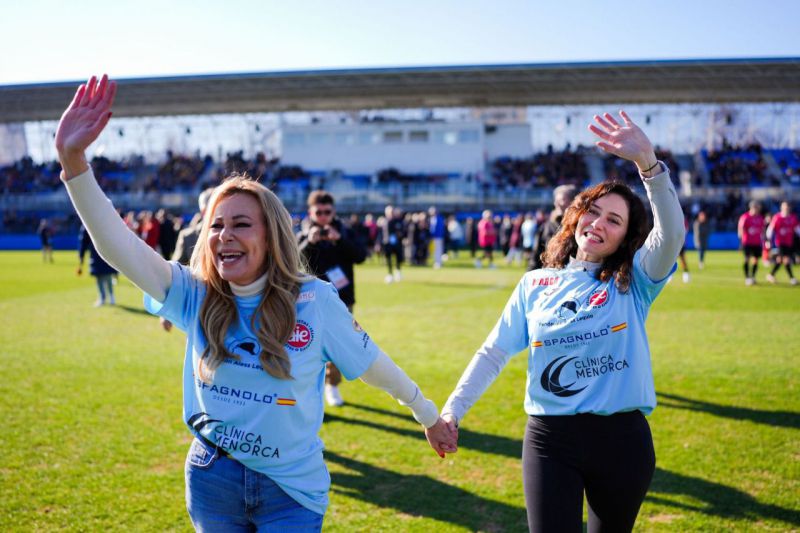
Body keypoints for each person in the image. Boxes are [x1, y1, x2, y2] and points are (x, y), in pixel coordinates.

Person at [56, 75, 455, 531]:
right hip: (212, 479)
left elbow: (371, 364)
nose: (225, 235)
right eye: (216, 226)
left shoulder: (314, 300)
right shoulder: (196, 292)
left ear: (271, 236)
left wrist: (426, 413)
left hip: (291, 491)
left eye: (241, 224)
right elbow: (118, 248)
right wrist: (73, 162)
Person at [433, 111, 684, 531]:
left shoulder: (636, 280)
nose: (599, 223)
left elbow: (671, 235)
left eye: (614, 220)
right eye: (594, 211)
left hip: (622, 441)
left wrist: (649, 166)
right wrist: (451, 412)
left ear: (627, 237)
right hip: (551, 441)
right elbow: (494, 351)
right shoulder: (536, 283)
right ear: (576, 215)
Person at [298, 190, 368, 407]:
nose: (323, 217)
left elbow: (361, 256)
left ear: (333, 211)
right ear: (310, 212)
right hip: (308, 298)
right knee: (306, 344)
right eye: (318, 212)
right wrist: (309, 243)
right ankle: (308, 390)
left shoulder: (344, 230)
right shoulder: (302, 233)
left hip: (342, 297)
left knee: (338, 342)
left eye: (327, 212)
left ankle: (332, 385)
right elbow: (292, 260)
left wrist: (339, 240)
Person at [528, 184, 579, 271]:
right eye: (556, 200)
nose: (557, 203)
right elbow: (536, 255)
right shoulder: (547, 227)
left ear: (573, 202)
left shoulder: (580, 226)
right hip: (550, 275)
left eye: (562, 200)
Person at [78, 224, 117, 306]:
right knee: (99, 275)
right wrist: (81, 256)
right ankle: (102, 297)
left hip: (107, 252)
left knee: (107, 274)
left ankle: (111, 296)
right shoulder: (86, 225)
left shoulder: (104, 222)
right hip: (95, 253)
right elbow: (84, 242)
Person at [766, 201, 799, 285]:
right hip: (780, 242)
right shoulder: (777, 217)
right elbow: (770, 229)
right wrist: (768, 240)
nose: (786, 208)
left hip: (789, 242)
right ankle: (792, 279)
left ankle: (771, 275)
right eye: (784, 207)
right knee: (786, 259)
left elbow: (797, 229)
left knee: (780, 260)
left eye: (787, 207)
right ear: (781, 208)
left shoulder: (793, 218)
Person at [738, 200, 765, 286]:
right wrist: (741, 241)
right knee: (747, 259)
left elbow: (763, 230)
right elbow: (741, 229)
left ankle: (753, 277)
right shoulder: (745, 217)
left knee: (756, 260)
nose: (757, 209)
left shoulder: (760, 218)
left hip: (757, 242)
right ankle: (747, 277)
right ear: (751, 207)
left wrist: (763, 239)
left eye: (758, 208)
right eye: (755, 207)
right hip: (747, 242)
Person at [382, 205, 405, 283]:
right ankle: (390, 274)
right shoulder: (384, 221)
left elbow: (402, 231)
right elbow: (381, 233)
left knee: (398, 258)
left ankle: (398, 271)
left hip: (397, 243)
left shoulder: (398, 221)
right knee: (388, 259)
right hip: (387, 243)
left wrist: (400, 235)